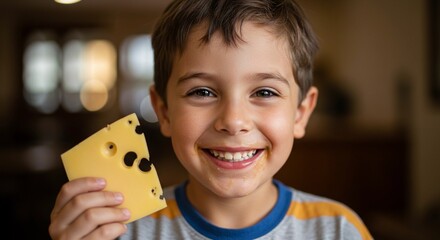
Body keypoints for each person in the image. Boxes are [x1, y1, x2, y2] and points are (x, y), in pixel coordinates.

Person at [49, 0, 373, 239]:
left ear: (301, 113)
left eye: (264, 92)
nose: (233, 121)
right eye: (202, 92)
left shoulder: (339, 230)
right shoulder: (118, 231)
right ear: (163, 112)